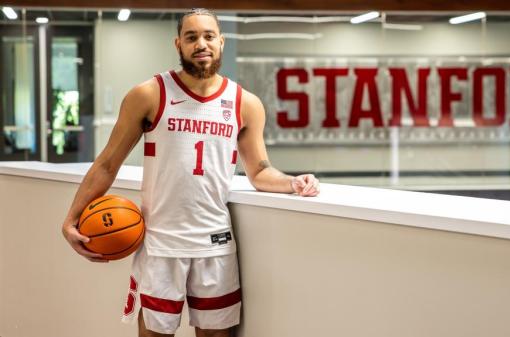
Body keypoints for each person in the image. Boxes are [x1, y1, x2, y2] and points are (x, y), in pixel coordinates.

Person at [61, 8, 320, 337]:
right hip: (160, 245)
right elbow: (108, 163)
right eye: (192, 36)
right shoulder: (149, 94)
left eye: (209, 36)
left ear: (221, 42)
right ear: (178, 44)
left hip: (216, 245)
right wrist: (71, 218)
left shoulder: (245, 103)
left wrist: (293, 182)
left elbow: (259, 171)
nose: (201, 43)